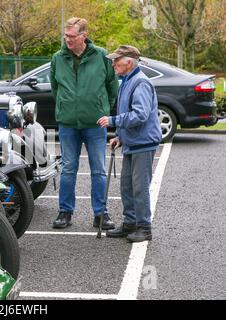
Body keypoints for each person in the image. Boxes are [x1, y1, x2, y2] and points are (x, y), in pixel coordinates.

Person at [50, 17, 119, 229]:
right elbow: (55, 87)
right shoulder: (57, 58)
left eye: (71, 36)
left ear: (83, 36)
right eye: (66, 35)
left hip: (95, 123)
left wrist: (103, 109)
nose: (67, 39)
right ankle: (65, 212)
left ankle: (101, 214)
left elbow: (112, 86)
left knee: (98, 169)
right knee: (69, 168)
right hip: (68, 123)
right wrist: (66, 106)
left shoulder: (101, 56)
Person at [97, 45, 162, 242]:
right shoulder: (127, 81)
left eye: (117, 60)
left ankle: (144, 227)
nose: (113, 63)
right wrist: (120, 136)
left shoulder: (140, 83)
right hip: (133, 142)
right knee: (127, 186)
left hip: (143, 143)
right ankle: (130, 223)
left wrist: (114, 121)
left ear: (129, 62)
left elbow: (140, 115)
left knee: (139, 187)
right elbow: (131, 112)